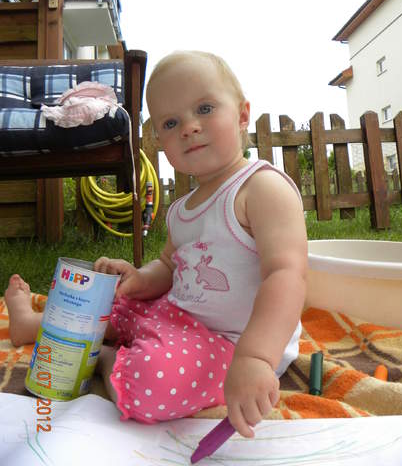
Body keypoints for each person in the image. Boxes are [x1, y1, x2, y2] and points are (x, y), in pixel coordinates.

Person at [5, 51, 307, 438]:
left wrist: (257, 358)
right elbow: (168, 266)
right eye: (171, 122)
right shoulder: (183, 209)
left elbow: (287, 274)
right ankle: (31, 325)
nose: (189, 128)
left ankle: (105, 358)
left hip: (235, 344)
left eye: (205, 108)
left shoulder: (262, 188)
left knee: (151, 381)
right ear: (161, 140)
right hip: (175, 318)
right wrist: (140, 278)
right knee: (105, 302)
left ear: (243, 114)